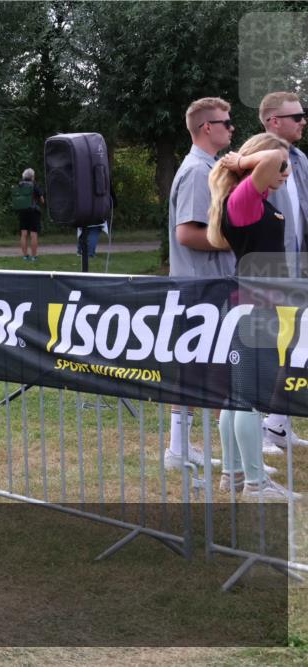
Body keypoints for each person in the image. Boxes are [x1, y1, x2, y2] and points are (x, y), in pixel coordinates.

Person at [206, 132, 301, 499]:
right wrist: (240, 160)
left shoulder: (256, 201)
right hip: (252, 309)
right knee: (248, 397)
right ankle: (256, 484)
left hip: (254, 305)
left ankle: (233, 475)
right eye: (281, 166)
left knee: (238, 397)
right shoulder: (245, 199)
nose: (285, 171)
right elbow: (272, 152)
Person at [164, 97, 237, 471]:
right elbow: (187, 234)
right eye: (226, 123)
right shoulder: (196, 171)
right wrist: (236, 239)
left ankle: (181, 447)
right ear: (207, 127)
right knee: (195, 367)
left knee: (196, 366)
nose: (232, 128)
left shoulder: (207, 167)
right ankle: (179, 448)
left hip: (206, 285)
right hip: (199, 286)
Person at [256, 92, 308, 456]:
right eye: (297, 116)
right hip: (267, 270)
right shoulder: (257, 158)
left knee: (296, 345)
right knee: (268, 347)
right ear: (274, 121)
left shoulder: (301, 159)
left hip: (298, 268)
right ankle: (262, 428)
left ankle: (279, 422)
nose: (303, 121)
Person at [13, 168, 44, 261]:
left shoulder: (19, 185)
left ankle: (25, 256)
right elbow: (42, 200)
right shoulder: (34, 185)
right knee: (33, 234)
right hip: (33, 212)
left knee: (24, 234)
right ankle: (34, 257)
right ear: (32, 177)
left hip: (22, 211)